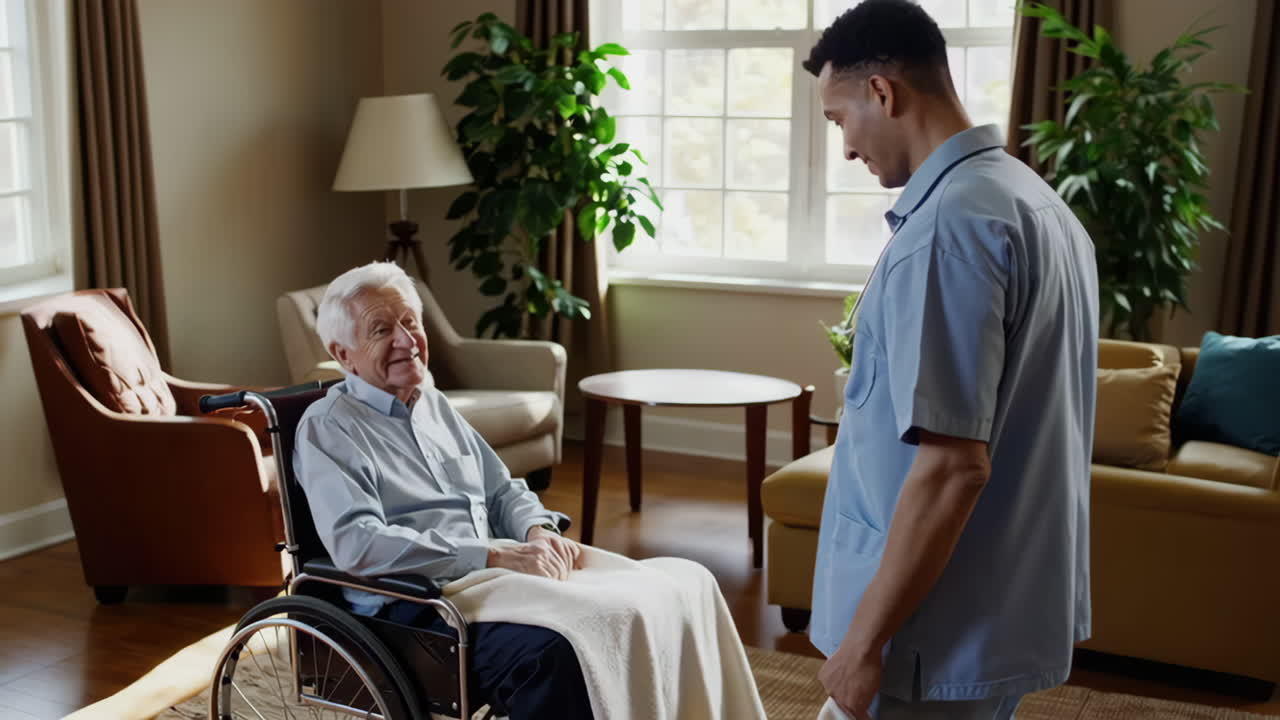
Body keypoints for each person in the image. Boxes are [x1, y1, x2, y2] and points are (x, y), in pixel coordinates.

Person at [803, 2, 1099, 719]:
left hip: (927, 634)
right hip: (997, 607)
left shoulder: (950, 230)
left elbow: (952, 465)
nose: (844, 148)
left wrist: (863, 642)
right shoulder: (1036, 202)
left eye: (839, 119)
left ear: (884, 93)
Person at [293, 261, 593, 719]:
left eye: (410, 322)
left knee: (639, 603)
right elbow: (359, 544)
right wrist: (489, 555)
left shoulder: (431, 402)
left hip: (488, 584)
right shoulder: (329, 428)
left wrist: (536, 530)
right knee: (553, 653)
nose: (406, 341)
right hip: (415, 609)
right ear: (343, 354)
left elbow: (500, 490)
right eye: (381, 330)